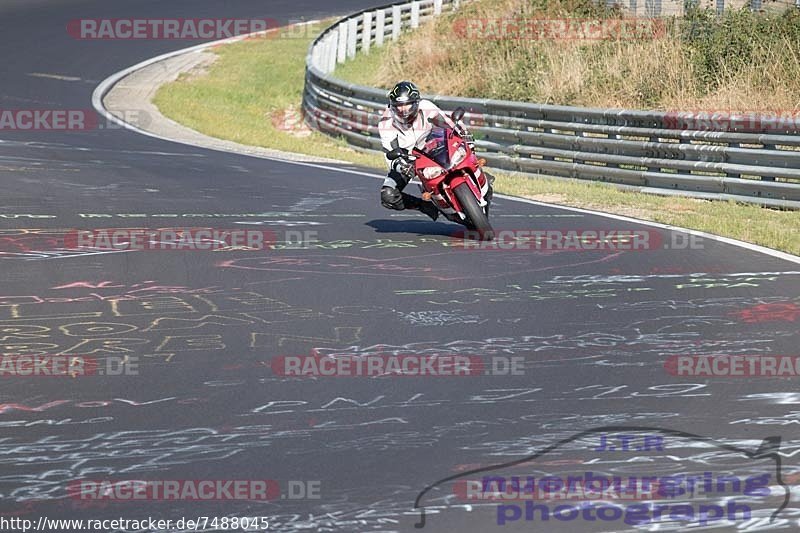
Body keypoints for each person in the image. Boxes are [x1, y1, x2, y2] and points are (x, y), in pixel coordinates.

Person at [378, 81, 492, 221]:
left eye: (407, 105)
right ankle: (425, 206)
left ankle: (478, 176)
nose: (403, 110)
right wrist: (403, 166)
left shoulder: (425, 106)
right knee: (388, 194)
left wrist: (465, 135)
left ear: (416, 103)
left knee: (464, 152)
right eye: (398, 107)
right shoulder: (385, 122)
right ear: (392, 106)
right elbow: (390, 155)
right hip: (407, 159)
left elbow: (448, 123)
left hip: (433, 146)